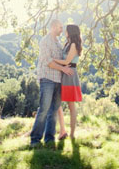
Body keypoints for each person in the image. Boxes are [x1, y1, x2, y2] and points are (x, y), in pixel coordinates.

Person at [30, 19, 74, 148]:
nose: (62, 30)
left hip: (59, 81)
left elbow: (63, 60)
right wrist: (63, 69)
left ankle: (49, 139)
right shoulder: (45, 41)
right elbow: (48, 61)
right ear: (54, 27)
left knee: (53, 110)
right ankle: (35, 140)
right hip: (47, 79)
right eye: (60, 27)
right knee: (43, 109)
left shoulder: (58, 43)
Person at [54, 24, 83, 140]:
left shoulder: (74, 45)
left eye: (66, 31)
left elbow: (66, 61)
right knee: (57, 102)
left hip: (70, 75)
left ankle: (72, 133)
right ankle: (63, 130)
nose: (64, 32)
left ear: (70, 32)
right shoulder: (68, 44)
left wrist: (52, 60)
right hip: (64, 73)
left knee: (71, 106)